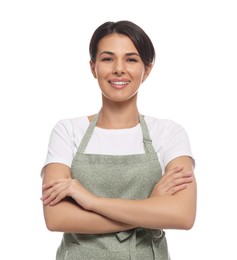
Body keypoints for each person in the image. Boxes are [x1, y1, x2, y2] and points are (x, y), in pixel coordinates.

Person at [41, 20, 197, 260]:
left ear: (147, 69)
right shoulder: (68, 130)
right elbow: (56, 218)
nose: (119, 69)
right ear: (93, 67)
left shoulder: (169, 133)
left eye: (131, 59)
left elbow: (182, 216)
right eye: (107, 59)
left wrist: (91, 202)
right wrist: (150, 207)